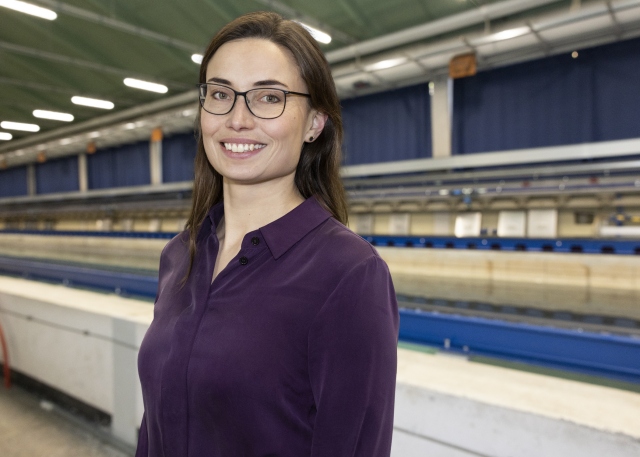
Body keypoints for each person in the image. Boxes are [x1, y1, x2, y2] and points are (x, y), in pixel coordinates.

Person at [135, 11, 399, 457]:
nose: (237, 119)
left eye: (268, 97)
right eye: (220, 94)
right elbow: (155, 424)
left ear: (315, 122)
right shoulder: (181, 255)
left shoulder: (348, 275)